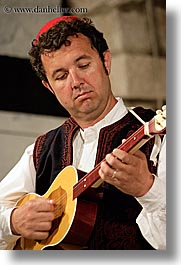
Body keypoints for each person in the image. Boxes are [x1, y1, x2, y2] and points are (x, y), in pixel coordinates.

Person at [0, 16, 166, 250]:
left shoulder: (159, 134)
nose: (76, 81)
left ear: (105, 61)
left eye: (84, 65)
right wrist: (13, 222)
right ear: (49, 87)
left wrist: (148, 189)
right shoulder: (41, 151)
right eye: (61, 76)